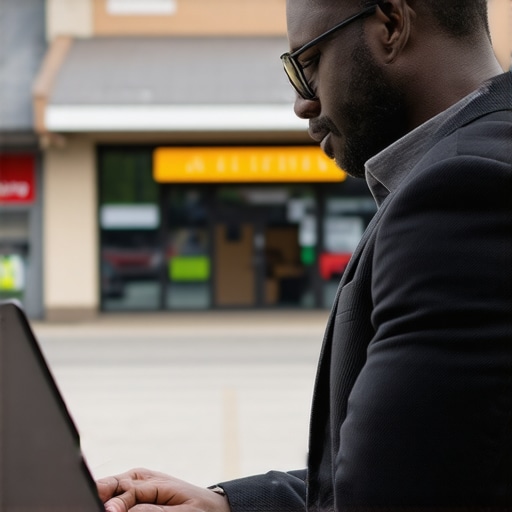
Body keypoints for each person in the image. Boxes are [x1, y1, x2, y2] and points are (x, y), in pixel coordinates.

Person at [97, 0, 512, 510]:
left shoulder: (461, 194)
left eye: (308, 64)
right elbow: (435, 463)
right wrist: (230, 505)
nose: (302, 104)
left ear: (390, 24)